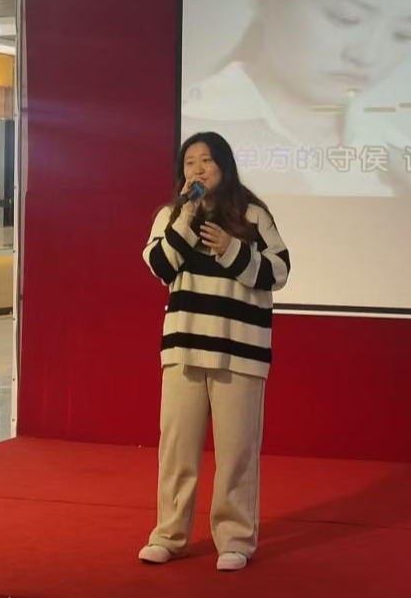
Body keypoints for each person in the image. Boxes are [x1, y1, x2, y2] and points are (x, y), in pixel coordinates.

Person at [182, 0, 411, 196]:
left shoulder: (406, 160)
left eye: (404, 34)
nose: (367, 57)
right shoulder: (188, 126)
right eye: (346, 17)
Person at [138, 131, 290, 572]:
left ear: (224, 165)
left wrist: (231, 249)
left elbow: (280, 271)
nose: (198, 169)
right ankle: (169, 535)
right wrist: (186, 215)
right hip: (184, 349)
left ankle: (235, 539)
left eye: (206, 161)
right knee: (176, 451)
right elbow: (160, 266)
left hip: (239, 350)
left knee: (237, 452)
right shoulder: (171, 216)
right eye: (190, 163)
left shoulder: (252, 215)